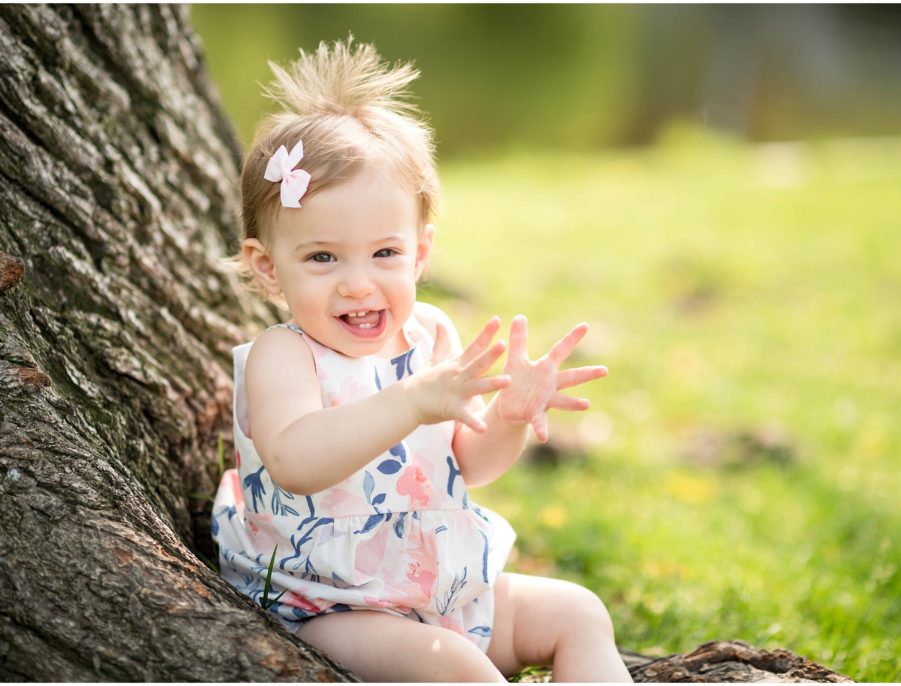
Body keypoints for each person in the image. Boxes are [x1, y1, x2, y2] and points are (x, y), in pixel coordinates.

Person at [211, 38, 632, 683]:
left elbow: (470, 464)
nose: (358, 284)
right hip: (329, 601)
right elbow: (296, 462)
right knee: (460, 670)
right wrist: (407, 402)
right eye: (323, 257)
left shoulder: (430, 333)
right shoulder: (284, 355)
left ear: (420, 252)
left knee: (578, 612)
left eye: (384, 253)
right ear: (269, 268)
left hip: (445, 585)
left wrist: (510, 418)